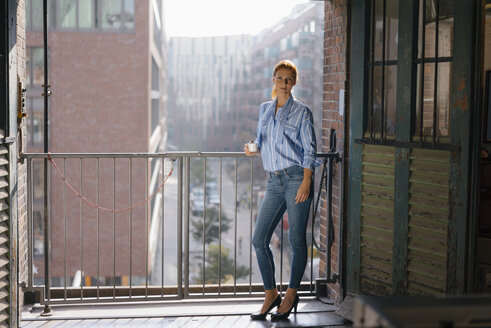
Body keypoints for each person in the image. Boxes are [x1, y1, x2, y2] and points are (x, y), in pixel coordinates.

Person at [244, 59, 318, 321]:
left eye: (289, 79)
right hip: (274, 182)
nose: (284, 84)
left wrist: (306, 183)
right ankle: (271, 294)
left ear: (294, 82)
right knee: (259, 239)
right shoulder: (264, 109)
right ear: (273, 80)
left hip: (297, 178)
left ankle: (291, 295)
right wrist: (252, 148)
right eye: (280, 78)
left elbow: (310, 150)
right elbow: (263, 142)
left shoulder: (302, 112)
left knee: (296, 241)